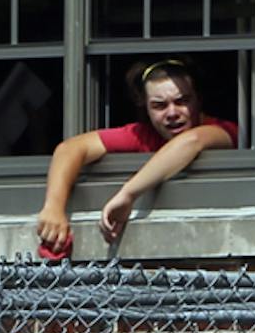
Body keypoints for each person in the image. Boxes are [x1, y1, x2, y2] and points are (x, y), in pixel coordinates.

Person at [35, 58, 238, 256]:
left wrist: (128, 194)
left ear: (198, 99)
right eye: (159, 105)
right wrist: (53, 208)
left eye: (182, 101)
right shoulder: (142, 135)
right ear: (145, 107)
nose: (172, 113)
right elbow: (70, 149)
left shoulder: (223, 130)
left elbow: (190, 142)